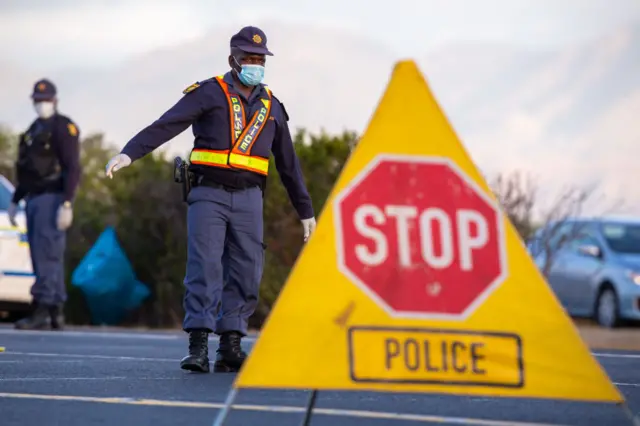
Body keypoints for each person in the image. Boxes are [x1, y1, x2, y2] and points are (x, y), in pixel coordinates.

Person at [105, 26, 316, 373]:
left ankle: (231, 343)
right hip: (209, 194)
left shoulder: (273, 106)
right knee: (205, 267)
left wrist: (305, 211)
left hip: (249, 199)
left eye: (260, 59)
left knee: (248, 270)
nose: (254, 64)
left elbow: (289, 164)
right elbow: (166, 125)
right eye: (248, 57)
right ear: (231, 58)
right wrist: (129, 154)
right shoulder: (208, 93)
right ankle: (199, 344)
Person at [8, 78, 81, 331]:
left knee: (47, 255)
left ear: (55, 100)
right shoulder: (32, 130)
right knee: (44, 257)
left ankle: (42, 308)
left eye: (46, 100)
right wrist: (15, 199)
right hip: (34, 198)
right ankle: (55, 312)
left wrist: (68, 203)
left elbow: (73, 167)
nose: (42, 104)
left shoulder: (63, 127)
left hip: (52, 199)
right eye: (38, 101)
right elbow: (29, 171)